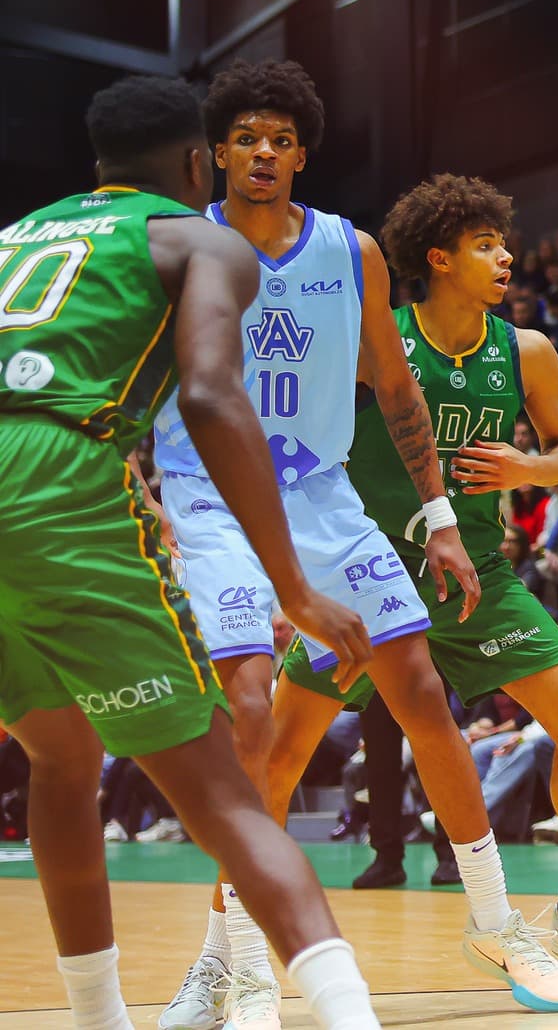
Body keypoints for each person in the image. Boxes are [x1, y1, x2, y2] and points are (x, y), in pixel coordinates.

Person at [153, 65, 558, 1021]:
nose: (265, 151)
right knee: (253, 723)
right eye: (246, 136)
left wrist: (442, 518)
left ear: (303, 153)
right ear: (218, 152)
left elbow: (398, 392)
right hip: (212, 499)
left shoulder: (346, 248)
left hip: (324, 501)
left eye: (281, 137)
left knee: (421, 694)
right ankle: (234, 962)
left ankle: (494, 919)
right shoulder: (178, 244)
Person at [0, 77, 385, 1030]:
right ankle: (349, 1017)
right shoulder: (196, 237)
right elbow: (213, 398)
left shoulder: (17, 236)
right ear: (193, 163)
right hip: (53, 472)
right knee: (226, 795)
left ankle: (99, 1021)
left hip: (34, 468)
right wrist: (293, 587)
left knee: (58, 754)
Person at [268, 174, 558, 974]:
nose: (506, 256)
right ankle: (230, 951)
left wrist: (527, 467)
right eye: (486, 245)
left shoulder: (527, 352)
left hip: (477, 574)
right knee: (273, 760)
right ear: (439, 258)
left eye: (503, 241)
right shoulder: (373, 342)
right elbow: (303, 437)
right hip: (367, 575)